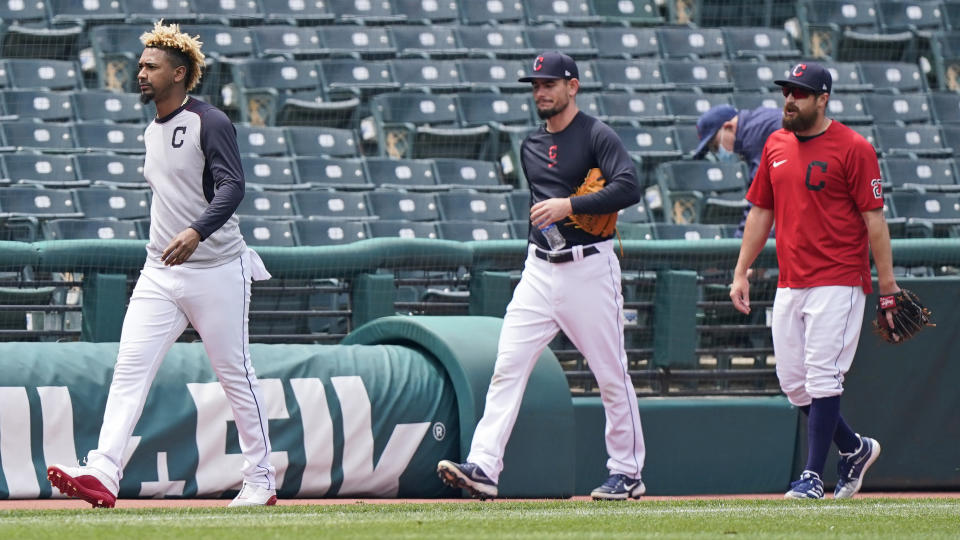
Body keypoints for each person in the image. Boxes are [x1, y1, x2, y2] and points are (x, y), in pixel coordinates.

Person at [46, 21, 277, 508]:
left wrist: (197, 231)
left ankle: (260, 477)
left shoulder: (209, 121)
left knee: (234, 373)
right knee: (129, 368)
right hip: (161, 270)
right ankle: (104, 470)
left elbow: (233, 187)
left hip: (217, 267)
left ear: (179, 73)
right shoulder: (153, 129)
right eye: (141, 64)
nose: (141, 72)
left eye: (151, 66)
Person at [436, 52, 647, 501]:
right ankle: (485, 467)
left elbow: (629, 186)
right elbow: (540, 212)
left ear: (573, 87)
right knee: (507, 366)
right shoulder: (530, 144)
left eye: (549, 83)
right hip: (538, 269)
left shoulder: (596, 135)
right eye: (535, 84)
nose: (540, 91)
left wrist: (572, 205)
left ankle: (627, 473)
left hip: (589, 269)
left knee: (611, 374)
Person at [729, 62, 891, 499]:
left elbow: (874, 220)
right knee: (794, 384)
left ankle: (812, 477)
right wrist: (741, 270)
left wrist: (889, 287)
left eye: (800, 92)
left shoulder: (854, 148)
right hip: (790, 280)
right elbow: (761, 210)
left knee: (822, 379)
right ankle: (854, 449)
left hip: (839, 277)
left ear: (822, 99)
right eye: (786, 91)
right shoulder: (776, 144)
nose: (790, 99)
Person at [694, 104, 782, 237]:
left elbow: (760, 202)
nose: (716, 153)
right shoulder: (758, 122)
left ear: (729, 127)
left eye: (715, 146)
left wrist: (739, 246)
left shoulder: (754, 134)